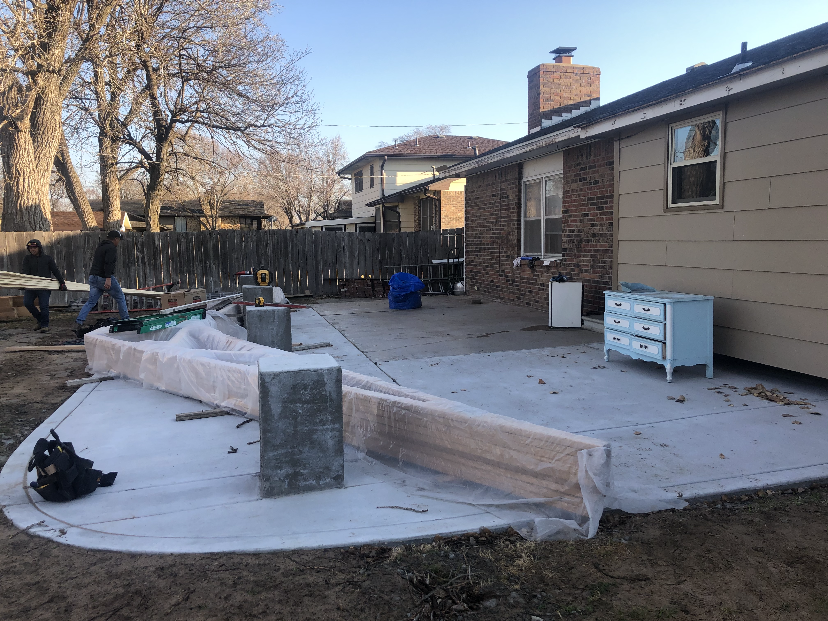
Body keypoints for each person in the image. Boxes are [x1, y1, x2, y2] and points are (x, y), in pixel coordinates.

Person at [75, 231, 130, 335]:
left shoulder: (100, 247)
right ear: (115, 239)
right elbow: (108, 264)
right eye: (118, 240)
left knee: (91, 302)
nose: (118, 242)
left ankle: (79, 321)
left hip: (93, 277)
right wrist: (108, 278)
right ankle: (126, 320)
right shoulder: (111, 248)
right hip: (103, 277)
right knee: (120, 297)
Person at [22, 239, 68, 333]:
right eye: (30, 248)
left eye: (34, 248)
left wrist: (62, 283)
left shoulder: (47, 259)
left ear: (39, 248)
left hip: (44, 286)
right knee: (27, 303)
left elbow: (55, 271)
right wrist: (22, 283)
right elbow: (24, 272)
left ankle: (44, 325)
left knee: (44, 305)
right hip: (31, 286)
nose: (32, 249)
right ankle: (40, 319)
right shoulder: (27, 259)